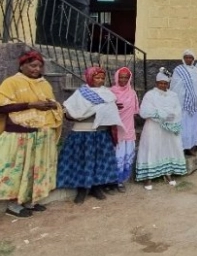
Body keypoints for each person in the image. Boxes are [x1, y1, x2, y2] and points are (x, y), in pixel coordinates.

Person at [0, 51, 63, 218]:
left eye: (39, 66)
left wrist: (52, 105)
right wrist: (30, 104)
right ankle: (13, 205)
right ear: (22, 65)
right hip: (19, 136)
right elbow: (2, 107)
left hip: (41, 135)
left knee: (35, 170)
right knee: (18, 170)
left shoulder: (45, 84)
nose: (37, 69)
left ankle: (30, 200)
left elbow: (53, 104)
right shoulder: (11, 82)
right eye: (32, 65)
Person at [57, 66, 124, 204]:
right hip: (83, 133)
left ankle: (96, 187)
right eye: (96, 78)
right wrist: (81, 114)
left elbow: (109, 109)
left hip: (100, 133)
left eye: (102, 78)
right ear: (89, 78)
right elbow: (68, 112)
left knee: (99, 161)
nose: (100, 81)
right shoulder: (80, 93)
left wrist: (111, 109)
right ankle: (82, 189)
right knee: (83, 160)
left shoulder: (107, 94)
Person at [135, 68, 187, 190]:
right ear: (156, 83)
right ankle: (148, 177)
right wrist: (162, 114)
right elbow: (145, 111)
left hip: (168, 127)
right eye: (160, 83)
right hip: (153, 127)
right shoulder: (150, 95)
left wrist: (167, 115)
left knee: (167, 148)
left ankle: (167, 173)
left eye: (165, 83)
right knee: (151, 149)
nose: (163, 85)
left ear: (168, 84)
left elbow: (177, 110)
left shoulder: (173, 95)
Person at [109, 67, 140, 193]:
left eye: (126, 77)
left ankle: (120, 181)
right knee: (116, 154)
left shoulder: (132, 93)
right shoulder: (111, 92)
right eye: (121, 77)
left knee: (126, 155)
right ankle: (111, 181)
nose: (123, 80)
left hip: (128, 127)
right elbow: (105, 109)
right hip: (116, 129)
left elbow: (135, 111)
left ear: (129, 79)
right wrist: (112, 106)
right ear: (116, 77)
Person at [171, 50, 197, 156]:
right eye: (186, 57)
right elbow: (175, 85)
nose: (188, 59)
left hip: (196, 104)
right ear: (183, 58)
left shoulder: (196, 70)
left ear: (193, 59)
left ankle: (191, 146)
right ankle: (182, 147)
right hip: (183, 103)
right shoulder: (178, 69)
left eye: (190, 57)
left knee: (194, 125)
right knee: (183, 125)